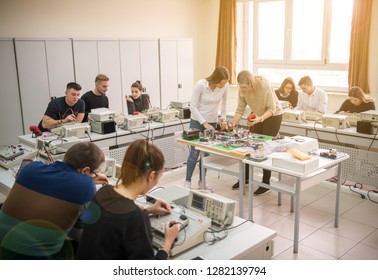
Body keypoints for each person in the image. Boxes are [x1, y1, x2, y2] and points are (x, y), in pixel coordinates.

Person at [0, 142, 108, 260]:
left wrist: (87, 180)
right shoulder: (86, 186)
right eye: (94, 173)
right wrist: (89, 184)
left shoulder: (30, 168)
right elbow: (83, 230)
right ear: (85, 171)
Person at [76, 139, 180, 260]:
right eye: (159, 177)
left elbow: (116, 215)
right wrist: (167, 243)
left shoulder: (103, 192)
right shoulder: (136, 218)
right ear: (151, 176)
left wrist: (149, 209)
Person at [231, 70, 283, 196]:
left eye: (244, 87)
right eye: (240, 86)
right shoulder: (242, 90)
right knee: (249, 145)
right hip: (257, 115)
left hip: (273, 116)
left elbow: (272, 108)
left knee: (265, 147)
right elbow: (240, 108)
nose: (242, 89)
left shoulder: (264, 85)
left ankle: (266, 183)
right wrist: (233, 123)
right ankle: (246, 178)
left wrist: (260, 119)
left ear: (251, 83)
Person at [184, 66, 229, 190]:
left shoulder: (225, 87)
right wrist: (204, 123)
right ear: (215, 79)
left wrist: (223, 119)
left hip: (212, 122)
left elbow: (224, 105)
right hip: (197, 122)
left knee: (206, 155)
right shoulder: (201, 85)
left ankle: (201, 182)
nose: (222, 86)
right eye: (220, 83)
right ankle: (187, 181)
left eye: (224, 84)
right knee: (194, 153)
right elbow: (192, 106)